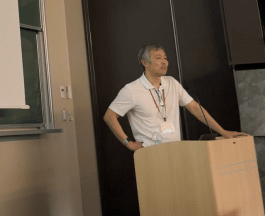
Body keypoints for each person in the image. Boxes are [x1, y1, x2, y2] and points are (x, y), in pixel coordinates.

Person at [103, 44, 246, 151]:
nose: (164, 62)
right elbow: (109, 116)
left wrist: (223, 132)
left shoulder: (171, 83)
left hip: (176, 150)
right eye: (158, 58)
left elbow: (195, 108)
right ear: (144, 62)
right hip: (150, 152)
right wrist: (128, 143)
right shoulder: (132, 90)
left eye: (165, 58)